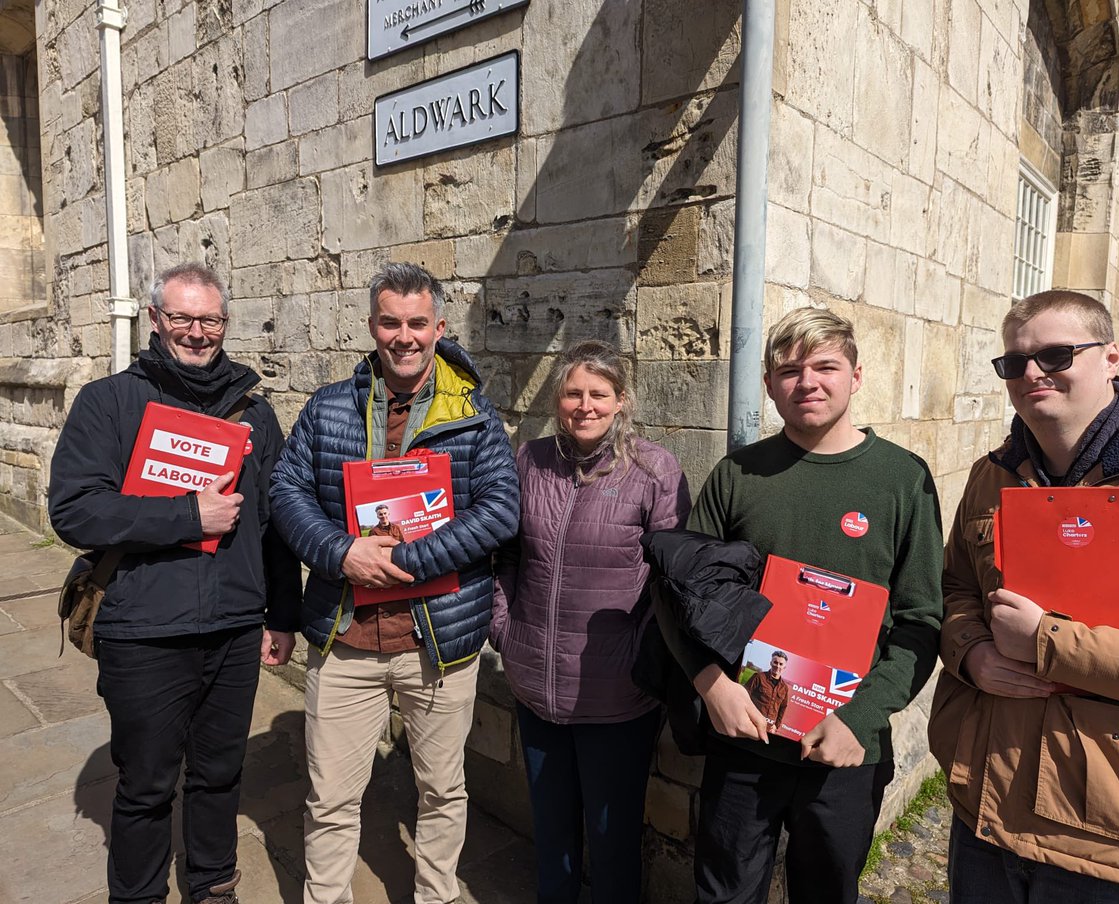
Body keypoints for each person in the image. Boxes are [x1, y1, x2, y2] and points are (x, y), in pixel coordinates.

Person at [658, 307, 943, 904]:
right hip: (745, 737)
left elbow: (921, 623)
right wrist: (711, 685)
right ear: (768, 384)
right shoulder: (739, 473)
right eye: (788, 370)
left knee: (826, 893)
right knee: (725, 896)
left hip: (842, 746)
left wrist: (859, 720)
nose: (807, 381)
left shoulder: (902, 480)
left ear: (857, 376)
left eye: (825, 366)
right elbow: (674, 590)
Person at [928, 290, 1119, 902]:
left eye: (1055, 355)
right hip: (989, 808)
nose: (1031, 374)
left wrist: (1050, 643)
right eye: (1013, 363)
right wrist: (972, 650)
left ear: (1110, 356)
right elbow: (956, 590)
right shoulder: (992, 473)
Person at [47, 262, 301, 904]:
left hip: (235, 625)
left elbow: (273, 524)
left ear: (225, 323)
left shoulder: (255, 414)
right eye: (182, 317)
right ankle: (137, 895)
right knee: (146, 783)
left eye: (210, 319)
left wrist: (283, 616)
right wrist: (188, 514)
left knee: (219, 772)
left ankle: (213, 882)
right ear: (156, 319)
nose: (197, 332)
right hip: (142, 628)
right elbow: (75, 511)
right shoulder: (107, 402)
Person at [269, 261, 518, 904]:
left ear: (438, 327)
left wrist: (414, 559)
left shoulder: (475, 415)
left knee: (442, 790)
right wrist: (342, 552)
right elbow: (286, 491)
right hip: (346, 641)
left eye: (416, 323)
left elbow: (500, 511)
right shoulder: (328, 408)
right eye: (389, 323)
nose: (403, 336)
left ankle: (435, 896)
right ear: (372, 327)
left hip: (437, 644)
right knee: (330, 798)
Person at [491, 339, 691, 904]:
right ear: (558, 399)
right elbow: (505, 555)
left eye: (599, 394)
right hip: (535, 684)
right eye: (574, 393)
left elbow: (670, 580)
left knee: (612, 837)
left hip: (616, 696)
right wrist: (504, 630)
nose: (586, 405)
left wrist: (637, 658)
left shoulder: (654, 470)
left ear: (621, 400)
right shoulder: (528, 460)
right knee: (551, 832)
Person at [743, 651, 788, 733]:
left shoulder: (784, 688)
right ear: (771, 663)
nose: (778, 666)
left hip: (769, 729)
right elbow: (744, 695)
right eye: (775, 662)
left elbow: (783, 707)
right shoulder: (759, 677)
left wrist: (776, 726)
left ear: (784, 667)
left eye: (781, 664)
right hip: (752, 724)